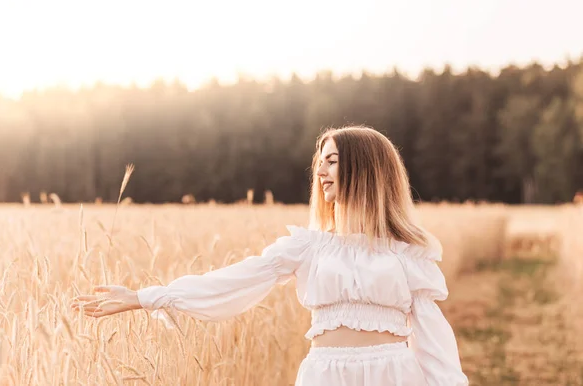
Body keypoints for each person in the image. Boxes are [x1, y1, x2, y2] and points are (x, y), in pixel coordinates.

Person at [72, 126, 469, 385]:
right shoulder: (307, 246)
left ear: (365, 170)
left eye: (332, 161)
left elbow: (434, 346)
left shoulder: (407, 256)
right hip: (325, 375)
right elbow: (235, 280)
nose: (321, 172)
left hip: (393, 375)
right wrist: (146, 297)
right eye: (320, 163)